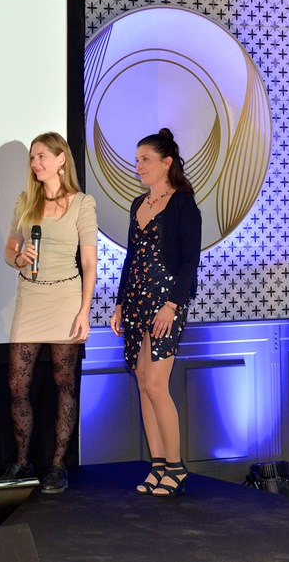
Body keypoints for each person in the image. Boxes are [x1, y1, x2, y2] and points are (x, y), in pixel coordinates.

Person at [0, 132, 98, 494]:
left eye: (41, 156)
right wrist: (18, 257)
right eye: (32, 157)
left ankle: (57, 466)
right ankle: (22, 462)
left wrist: (85, 311)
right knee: (17, 385)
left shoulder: (82, 203)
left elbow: (89, 262)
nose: (35, 163)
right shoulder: (25, 200)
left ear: (61, 159)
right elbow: (10, 249)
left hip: (66, 298)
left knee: (64, 383)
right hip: (30, 295)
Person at [109, 128, 201, 497]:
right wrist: (119, 302)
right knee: (144, 383)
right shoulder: (138, 204)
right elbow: (131, 258)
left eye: (145, 159)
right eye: (137, 160)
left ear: (167, 163)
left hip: (166, 302)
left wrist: (172, 305)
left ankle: (176, 467)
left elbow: (189, 262)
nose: (139, 166)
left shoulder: (183, 204)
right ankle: (158, 464)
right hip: (135, 301)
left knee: (157, 385)